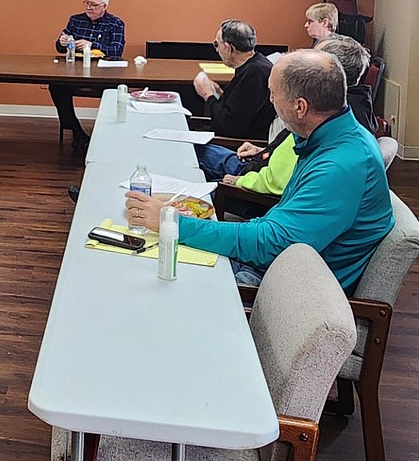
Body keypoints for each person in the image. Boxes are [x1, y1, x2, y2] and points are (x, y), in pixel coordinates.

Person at [127, 49, 394, 293]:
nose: (270, 100)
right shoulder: (332, 136)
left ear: (300, 107)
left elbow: (270, 245)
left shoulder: (341, 165)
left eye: (273, 94)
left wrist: (171, 223)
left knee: (141, 275)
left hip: (288, 288)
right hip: (280, 265)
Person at [197, 35, 375, 192]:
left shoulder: (324, 118)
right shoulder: (341, 110)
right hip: (260, 165)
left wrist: (240, 181)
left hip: (253, 184)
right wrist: (265, 151)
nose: (272, 99)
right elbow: (287, 159)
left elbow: (281, 182)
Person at [49, 0, 125, 153]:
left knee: (116, 90)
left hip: (103, 74)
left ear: (104, 6)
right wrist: (62, 41)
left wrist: (92, 46)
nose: (89, 7)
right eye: (87, 3)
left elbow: (117, 51)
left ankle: (107, 135)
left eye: (94, 5)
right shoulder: (75, 20)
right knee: (56, 86)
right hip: (75, 72)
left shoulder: (115, 23)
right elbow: (59, 48)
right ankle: (77, 131)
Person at [192, 19, 276, 141]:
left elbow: (228, 126)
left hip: (238, 144)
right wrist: (219, 94)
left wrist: (207, 95)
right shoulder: (255, 65)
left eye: (217, 44)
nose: (216, 50)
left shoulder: (254, 73)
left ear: (228, 48)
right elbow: (237, 108)